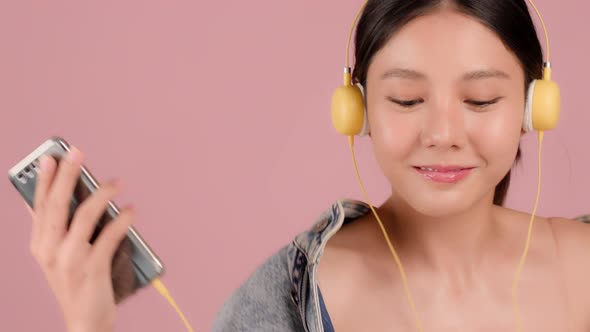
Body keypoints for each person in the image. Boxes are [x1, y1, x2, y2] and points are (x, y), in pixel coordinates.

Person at [24, 0, 590, 331]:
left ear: (534, 106)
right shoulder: (294, 293)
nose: (443, 134)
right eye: (407, 100)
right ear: (357, 111)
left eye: (481, 100)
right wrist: (89, 318)